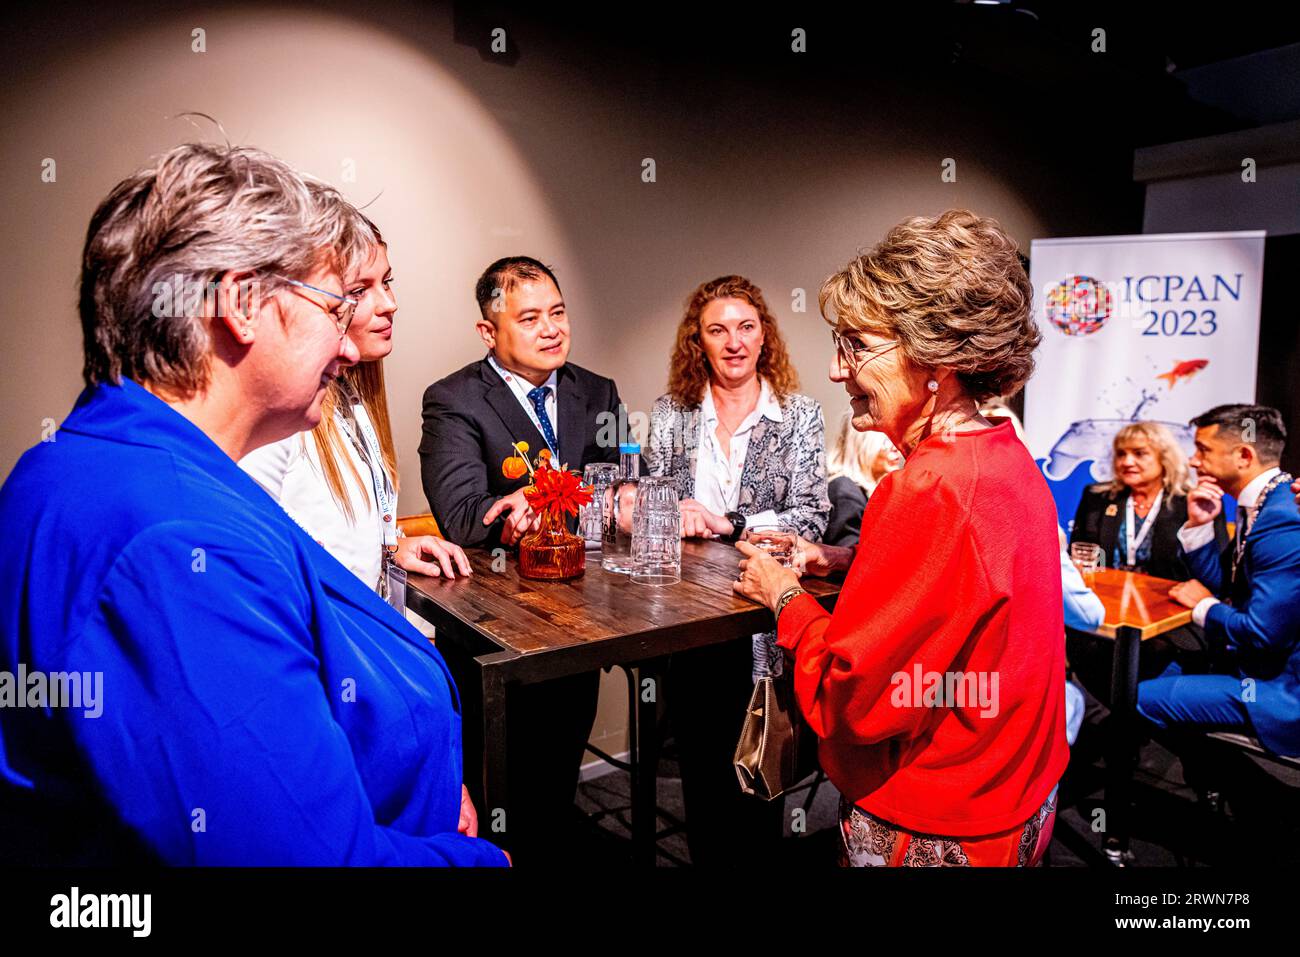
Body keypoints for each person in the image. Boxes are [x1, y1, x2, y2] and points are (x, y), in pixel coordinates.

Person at [0, 143, 505, 865]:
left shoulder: (111, 466)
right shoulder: (175, 545)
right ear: (240, 303)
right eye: (335, 305)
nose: (352, 345)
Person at [734, 209, 1068, 866]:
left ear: (936, 355)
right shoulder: (1003, 456)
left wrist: (784, 598)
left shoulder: (927, 486)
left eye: (856, 344)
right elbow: (965, 592)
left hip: (938, 819)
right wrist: (846, 558)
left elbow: (851, 700)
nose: (837, 369)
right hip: (1018, 798)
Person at [419, 256, 625, 863]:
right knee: (502, 794)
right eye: (529, 318)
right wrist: (528, 508)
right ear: (490, 332)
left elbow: (614, 487)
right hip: (497, 629)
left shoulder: (598, 391)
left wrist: (621, 499)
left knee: (559, 774)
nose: (551, 329)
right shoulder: (453, 399)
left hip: (585, 619)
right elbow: (463, 516)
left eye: (557, 313)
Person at [645, 274, 830, 866]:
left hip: (764, 622)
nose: (733, 342)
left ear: (763, 336)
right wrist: (669, 511)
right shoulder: (672, 414)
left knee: (764, 769)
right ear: (697, 341)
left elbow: (812, 516)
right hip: (690, 620)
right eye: (717, 330)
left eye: (746, 327)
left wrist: (730, 523)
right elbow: (656, 499)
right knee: (701, 768)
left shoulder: (798, 414)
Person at [240, 198, 470, 601]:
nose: (389, 304)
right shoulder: (281, 411)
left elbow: (330, 528)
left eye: (388, 282)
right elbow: (248, 556)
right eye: (360, 291)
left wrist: (390, 546)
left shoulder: (349, 395)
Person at [1138, 404, 1300, 762]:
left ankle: (1236, 788)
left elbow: (1263, 633)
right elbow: (1226, 585)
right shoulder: (1263, 503)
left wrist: (1201, 606)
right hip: (1248, 662)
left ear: (1244, 455)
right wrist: (1199, 525)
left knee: (1136, 698)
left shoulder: (1283, 520)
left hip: (1280, 691)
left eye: (1203, 450)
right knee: (1153, 668)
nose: (1194, 462)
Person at [1071, 421, 1227, 581]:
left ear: (1164, 458)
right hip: (1105, 596)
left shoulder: (1195, 504)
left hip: (1168, 600)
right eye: (1121, 454)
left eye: (1139, 453)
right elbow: (1082, 552)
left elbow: (1217, 574)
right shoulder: (1097, 497)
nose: (1127, 462)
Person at [824, 410, 900, 547]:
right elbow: (845, 559)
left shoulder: (859, 490)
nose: (896, 448)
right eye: (886, 440)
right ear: (863, 445)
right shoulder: (845, 493)